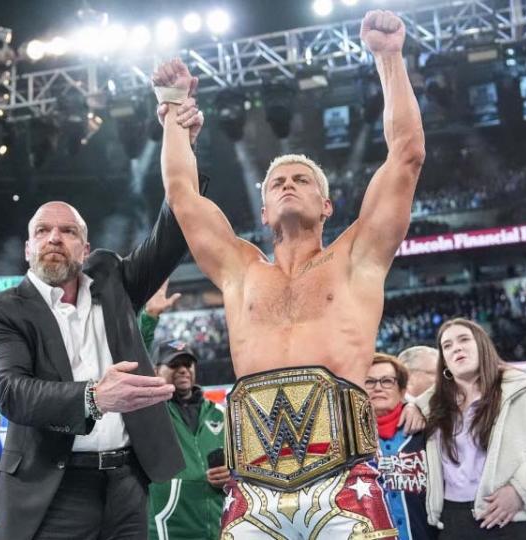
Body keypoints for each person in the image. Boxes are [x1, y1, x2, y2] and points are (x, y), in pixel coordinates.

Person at [154, 9, 426, 537]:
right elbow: (183, 195)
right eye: (276, 181)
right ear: (262, 213)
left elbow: (406, 156)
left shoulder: (356, 258)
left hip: (343, 476)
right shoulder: (239, 271)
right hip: (252, 482)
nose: (286, 185)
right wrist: (170, 109)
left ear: (326, 206)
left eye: (301, 179)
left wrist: (389, 58)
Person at [0, 99, 208, 540]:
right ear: (27, 249)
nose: (54, 238)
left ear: (84, 246)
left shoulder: (113, 279)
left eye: (68, 231)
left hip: (126, 482)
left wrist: (183, 148)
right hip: (55, 485)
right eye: (42, 231)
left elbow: (173, 234)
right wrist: (95, 398)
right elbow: (12, 393)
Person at [0, 284, 180, 540]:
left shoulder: (69, 386)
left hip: (118, 490)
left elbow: (130, 361)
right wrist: (15, 520)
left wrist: (147, 318)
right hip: (28, 517)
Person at [417, 318, 526, 538]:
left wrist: (521, 491)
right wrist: (415, 407)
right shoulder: (431, 408)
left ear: (483, 346)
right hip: (453, 524)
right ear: (444, 362)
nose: (456, 348)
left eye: (464, 340)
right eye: (447, 345)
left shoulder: (525, 393)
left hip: (513, 522)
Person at [148, 341, 227, 540]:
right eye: (174, 365)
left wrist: (233, 474)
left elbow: (246, 463)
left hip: (218, 523)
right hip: (168, 525)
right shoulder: (150, 411)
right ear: (156, 371)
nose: (183, 370)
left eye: (188, 364)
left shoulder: (220, 413)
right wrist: (149, 317)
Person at [367, 353, 437, 540]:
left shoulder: (427, 431)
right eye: (369, 382)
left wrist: (420, 407)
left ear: (402, 389)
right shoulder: (347, 440)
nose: (378, 388)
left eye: (387, 381)